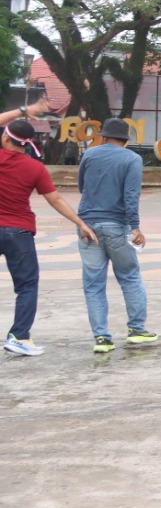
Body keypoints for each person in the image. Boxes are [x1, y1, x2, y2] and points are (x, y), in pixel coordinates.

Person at [1, 119, 99, 356]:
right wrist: (81, 223)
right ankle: (19, 337)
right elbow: (55, 199)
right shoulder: (35, 168)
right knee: (26, 286)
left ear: (5, 138)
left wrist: (25, 110)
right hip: (19, 232)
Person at [77, 117, 156, 353]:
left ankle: (101, 338)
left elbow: (83, 187)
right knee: (129, 276)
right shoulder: (132, 159)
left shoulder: (90, 155)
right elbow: (131, 195)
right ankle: (137, 330)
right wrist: (135, 226)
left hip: (87, 226)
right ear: (126, 139)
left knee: (93, 284)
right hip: (116, 226)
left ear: (103, 136)